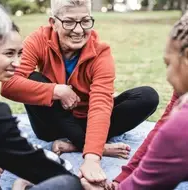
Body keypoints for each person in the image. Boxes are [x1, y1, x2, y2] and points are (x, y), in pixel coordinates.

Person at [1, 0, 159, 184]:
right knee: (33, 78)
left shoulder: (101, 52)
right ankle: (95, 145)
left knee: (147, 96)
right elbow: (9, 86)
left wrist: (92, 159)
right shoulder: (38, 40)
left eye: (85, 21)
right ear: (53, 22)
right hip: (51, 123)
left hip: (85, 119)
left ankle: (77, 145)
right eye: (69, 22)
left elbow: (100, 104)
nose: (78, 30)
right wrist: (56, 90)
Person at [80, 12, 188, 190]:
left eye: (168, 63)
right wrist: (123, 176)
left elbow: (143, 184)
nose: (167, 75)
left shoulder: (182, 124)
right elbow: (162, 129)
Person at [0, 4, 83, 190]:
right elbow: (37, 165)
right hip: (51, 134)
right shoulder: (0, 117)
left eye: (19, 53)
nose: (17, 63)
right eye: (9, 53)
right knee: (69, 183)